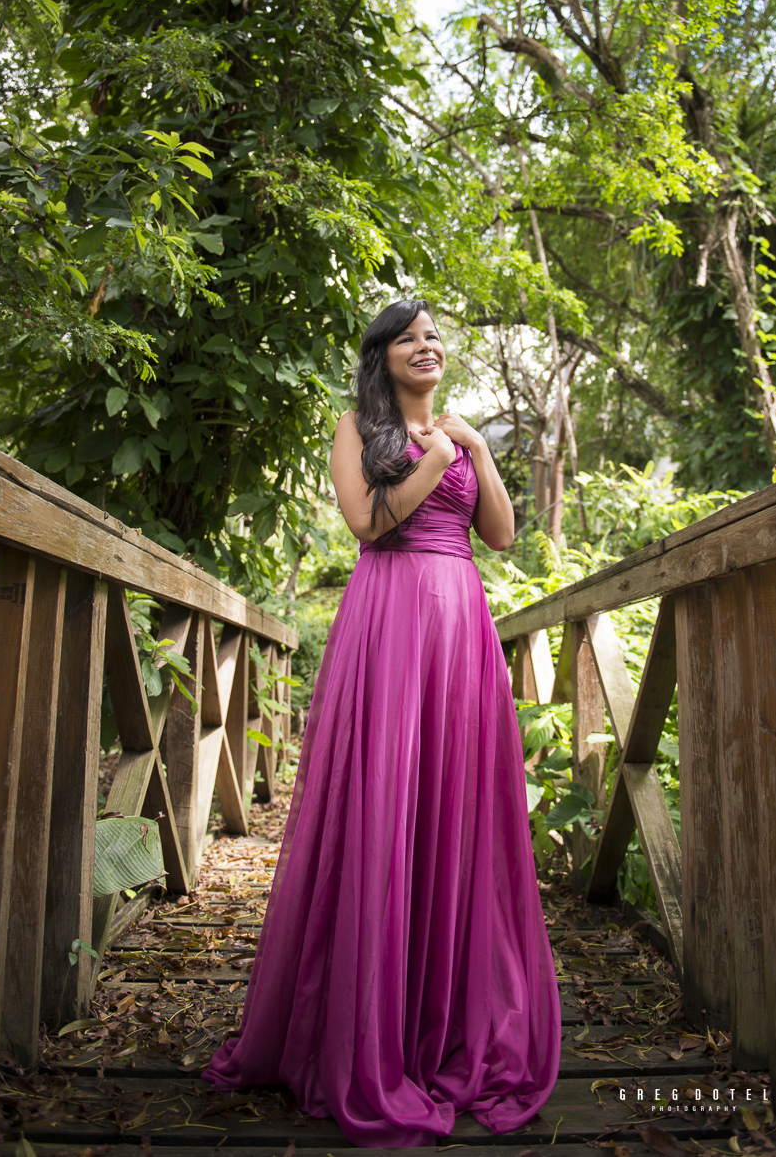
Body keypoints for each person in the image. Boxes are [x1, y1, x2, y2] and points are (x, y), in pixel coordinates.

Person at [203, 299, 561, 1145]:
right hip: (391, 619)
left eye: (435, 336)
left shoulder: (461, 435)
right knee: (387, 802)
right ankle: (367, 1026)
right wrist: (435, 458)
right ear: (382, 355)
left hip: (459, 625)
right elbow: (365, 525)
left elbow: (501, 538)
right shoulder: (354, 430)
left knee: (453, 803)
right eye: (409, 336)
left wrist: (471, 449)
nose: (427, 346)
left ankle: (449, 1014)